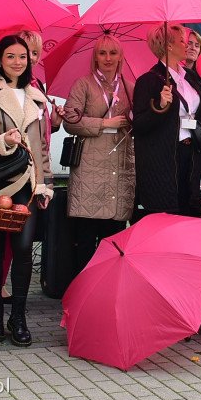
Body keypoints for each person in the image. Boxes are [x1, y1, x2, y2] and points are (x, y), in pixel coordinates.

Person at [0, 35, 54, 346]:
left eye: (23, 57)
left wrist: (45, 185)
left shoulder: (36, 95)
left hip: (28, 186)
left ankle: (18, 316)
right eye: (10, 57)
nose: (18, 62)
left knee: (23, 251)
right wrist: (3, 139)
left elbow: (42, 145)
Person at [133, 23, 201, 218]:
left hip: (193, 152)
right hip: (166, 159)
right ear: (169, 46)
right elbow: (139, 124)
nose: (187, 45)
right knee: (170, 211)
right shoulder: (148, 81)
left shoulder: (190, 76)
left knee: (191, 209)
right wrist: (160, 107)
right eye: (182, 41)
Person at [62, 34, 135, 274]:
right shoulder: (83, 84)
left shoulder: (128, 86)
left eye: (113, 53)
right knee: (85, 237)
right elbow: (70, 122)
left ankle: (106, 289)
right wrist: (104, 123)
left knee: (113, 239)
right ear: (95, 57)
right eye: (102, 53)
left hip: (119, 165)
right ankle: (80, 288)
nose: (107, 58)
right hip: (90, 167)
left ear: (121, 56)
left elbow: (140, 122)